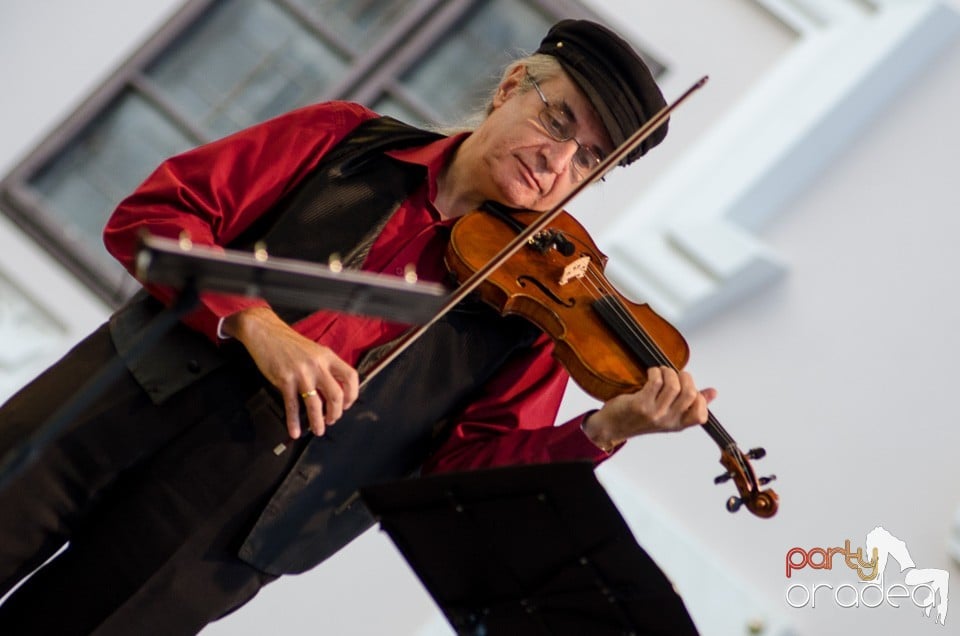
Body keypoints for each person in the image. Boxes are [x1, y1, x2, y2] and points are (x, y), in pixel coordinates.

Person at [0, 19, 716, 635]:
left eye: (590, 159)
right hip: (116, 406)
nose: (557, 162)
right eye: (558, 121)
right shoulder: (342, 140)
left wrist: (601, 430)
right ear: (511, 86)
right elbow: (155, 217)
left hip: (222, 533)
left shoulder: (540, 309)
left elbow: (457, 474)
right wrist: (254, 321)